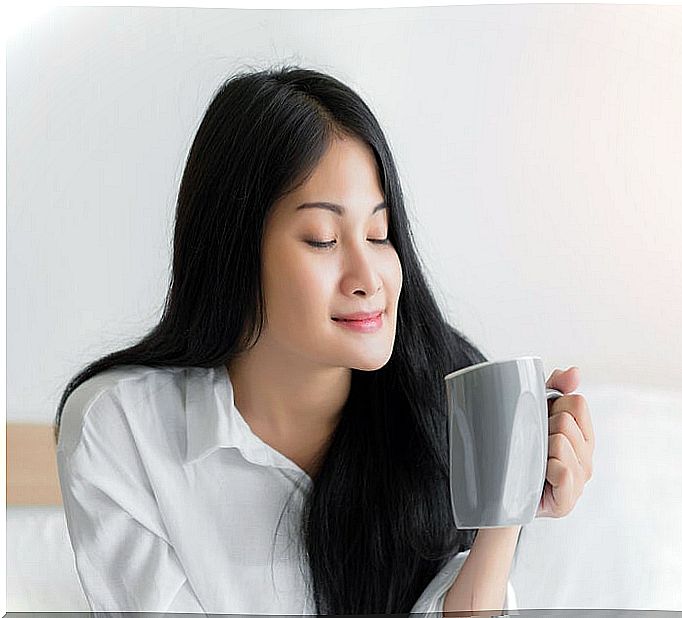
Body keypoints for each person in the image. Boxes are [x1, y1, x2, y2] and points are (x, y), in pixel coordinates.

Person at [53, 65, 594, 616]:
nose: (369, 277)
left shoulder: (439, 414)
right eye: (323, 239)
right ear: (233, 251)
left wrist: (504, 510)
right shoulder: (121, 427)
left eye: (380, 235)